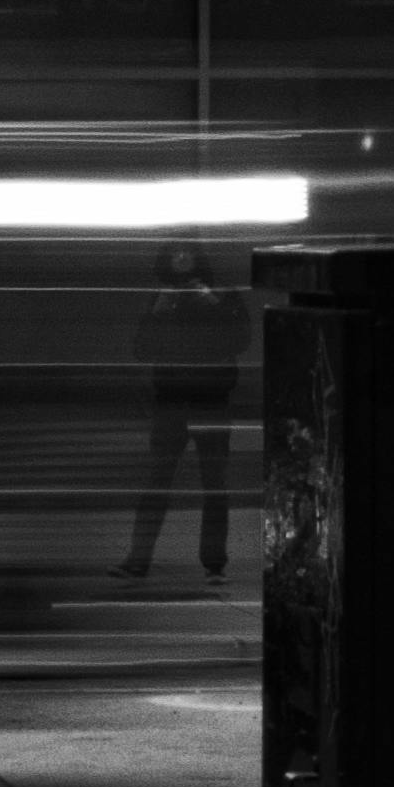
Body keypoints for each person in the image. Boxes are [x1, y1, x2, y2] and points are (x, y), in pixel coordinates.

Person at [110, 242, 247, 585]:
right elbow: (142, 348)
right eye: (176, 253)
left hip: (211, 402)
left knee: (214, 485)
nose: (183, 260)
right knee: (158, 483)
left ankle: (214, 564)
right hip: (172, 403)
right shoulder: (163, 298)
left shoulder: (221, 295)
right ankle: (138, 560)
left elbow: (239, 339)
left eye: (188, 253)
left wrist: (211, 303)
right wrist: (160, 310)